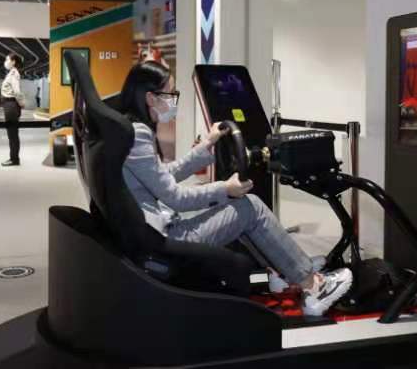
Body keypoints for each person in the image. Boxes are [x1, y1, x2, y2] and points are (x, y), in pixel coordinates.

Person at [119, 62, 352, 316]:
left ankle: (285, 270)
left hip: (151, 232)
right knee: (251, 207)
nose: (174, 101)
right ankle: (314, 287)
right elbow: (176, 198)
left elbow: (163, 176)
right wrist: (225, 189)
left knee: (237, 207)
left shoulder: (126, 130)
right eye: (170, 94)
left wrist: (206, 145)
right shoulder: (138, 135)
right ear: (151, 98)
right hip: (166, 239)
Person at [1, 52, 24, 167]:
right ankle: (14, 158)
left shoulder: (14, 74)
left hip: (11, 105)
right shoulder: (11, 73)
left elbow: (17, 91)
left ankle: (14, 159)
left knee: (12, 134)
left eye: (7, 59)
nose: (5, 62)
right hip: (9, 104)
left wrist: (21, 103)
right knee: (12, 133)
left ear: (13, 61)